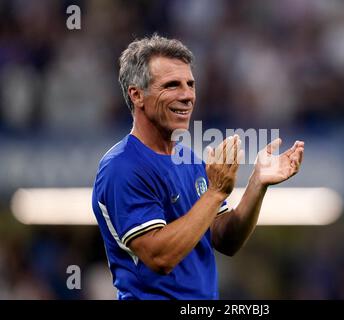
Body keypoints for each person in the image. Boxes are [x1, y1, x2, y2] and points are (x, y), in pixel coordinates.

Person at [91, 34, 304, 300]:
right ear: (137, 95)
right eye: (172, 85)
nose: (187, 95)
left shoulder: (189, 159)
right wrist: (215, 192)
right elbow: (159, 257)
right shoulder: (121, 167)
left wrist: (257, 183)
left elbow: (225, 239)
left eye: (190, 84)